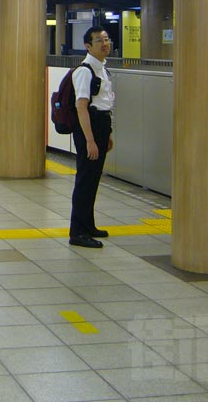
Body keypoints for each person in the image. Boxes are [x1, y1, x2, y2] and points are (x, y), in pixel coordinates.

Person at [69, 25, 116, 249]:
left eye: (106, 39)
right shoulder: (85, 71)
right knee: (85, 181)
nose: (105, 44)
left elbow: (105, 103)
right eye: (99, 40)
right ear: (88, 46)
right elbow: (81, 107)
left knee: (93, 180)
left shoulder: (102, 69)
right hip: (89, 128)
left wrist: (108, 134)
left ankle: (88, 225)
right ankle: (78, 232)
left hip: (101, 127)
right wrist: (89, 140)